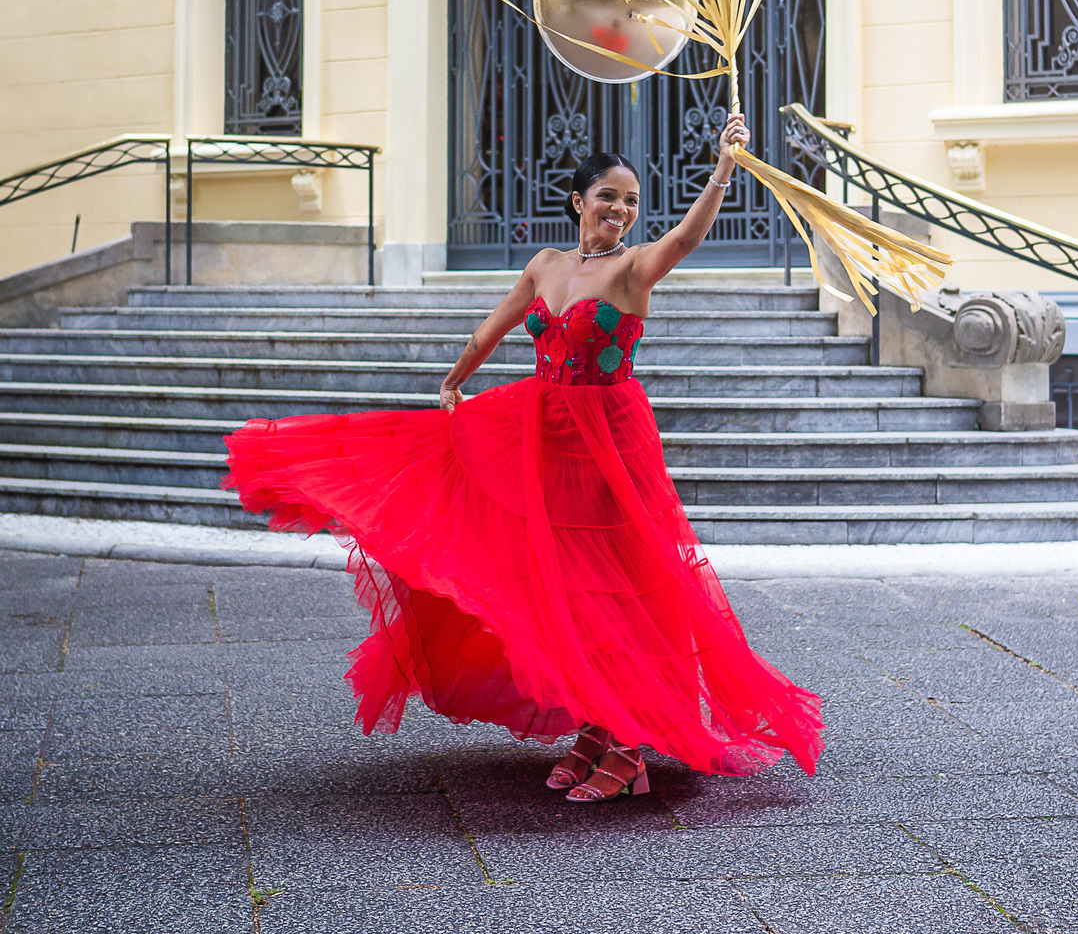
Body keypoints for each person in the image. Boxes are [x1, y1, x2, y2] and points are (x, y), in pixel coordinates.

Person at [224, 110, 824, 802]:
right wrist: (455, 380)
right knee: (562, 587)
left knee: (616, 587)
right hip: (542, 433)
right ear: (579, 200)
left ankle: (628, 748)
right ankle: (596, 729)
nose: (621, 210)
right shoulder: (545, 265)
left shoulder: (634, 268)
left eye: (631, 201)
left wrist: (723, 168)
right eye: (608, 196)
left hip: (610, 438)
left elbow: (686, 238)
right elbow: (495, 324)